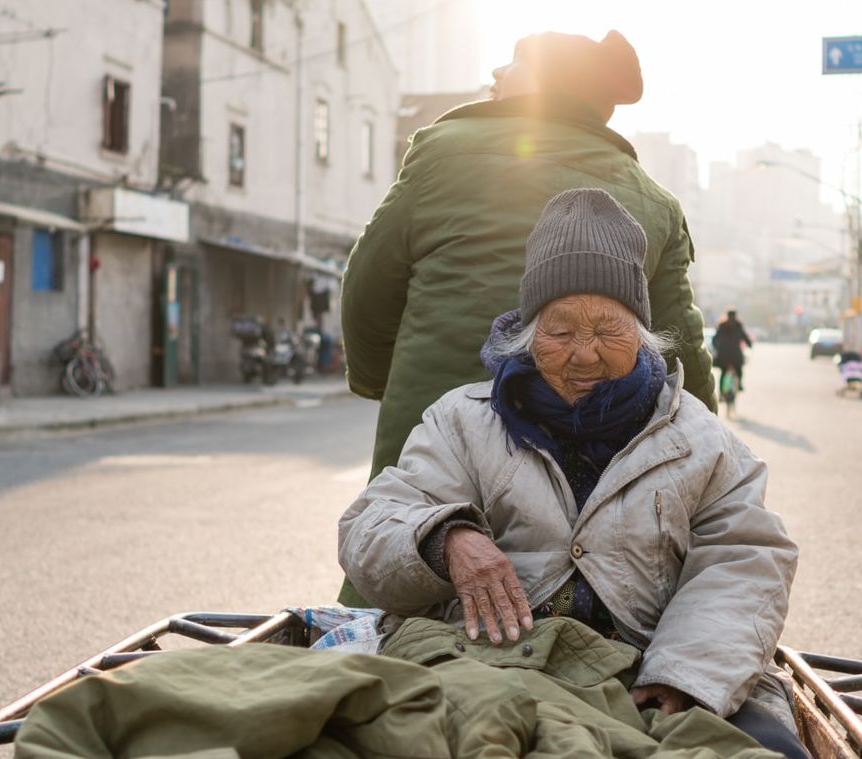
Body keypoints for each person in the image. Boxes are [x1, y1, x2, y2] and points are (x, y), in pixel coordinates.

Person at [339, 189, 806, 759]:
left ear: (642, 333)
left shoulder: (699, 439)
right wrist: (445, 539)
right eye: (560, 332)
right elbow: (372, 525)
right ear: (528, 333)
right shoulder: (463, 420)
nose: (584, 354)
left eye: (608, 330)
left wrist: (683, 676)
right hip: (489, 664)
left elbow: (745, 558)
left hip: (647, 671)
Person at [340, 29, 716, 484]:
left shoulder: (442, 153)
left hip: (433, 462)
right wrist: (706, 458)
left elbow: (367, 295)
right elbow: (682, 358)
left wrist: (384, 385)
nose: (498, 71)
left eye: (516, 61)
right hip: (593, 477)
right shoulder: (655, 202)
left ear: (548, 88)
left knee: (417, 545)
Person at [712, 309, 753, 393]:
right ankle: (740, 385)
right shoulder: (739, 326)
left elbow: (715, 339)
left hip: (723, 355)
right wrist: (749, 345)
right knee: (739, 370)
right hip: (735, 355)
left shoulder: (722, 326)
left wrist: (716, 347)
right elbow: (745, 337)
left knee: (723, 373)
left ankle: (721, 392)